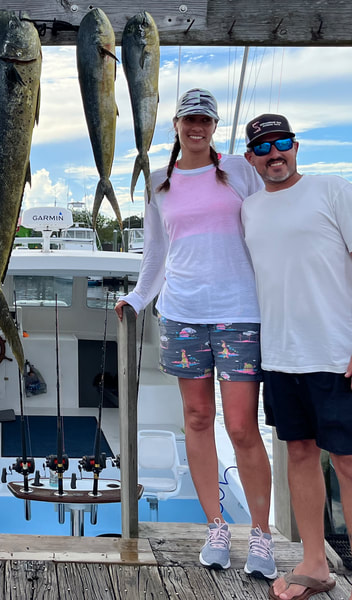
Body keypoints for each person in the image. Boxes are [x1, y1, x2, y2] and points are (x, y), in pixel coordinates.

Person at [115, 88, 275, 579]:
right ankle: (216, 526)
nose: (197, 127)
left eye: (205, 119)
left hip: (239, 313)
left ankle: (263, 535)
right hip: (181, 313)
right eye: (189, 119)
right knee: (198, 418)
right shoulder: (160, 182)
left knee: (243, 427)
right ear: (177, 125)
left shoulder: (242, 173)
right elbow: (156, 255)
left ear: (214, 125)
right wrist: (137, 299)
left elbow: (270, 231)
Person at [240, 113, 352, 600]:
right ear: (251, 158)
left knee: (351, 465)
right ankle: (314, 563)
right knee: (300, 456)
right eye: (262, 147)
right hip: (281, 358)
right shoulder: (251, 209)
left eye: (281, 142)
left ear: (296, 146)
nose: (273, 153)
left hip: (341, 356)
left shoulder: (332, 190)